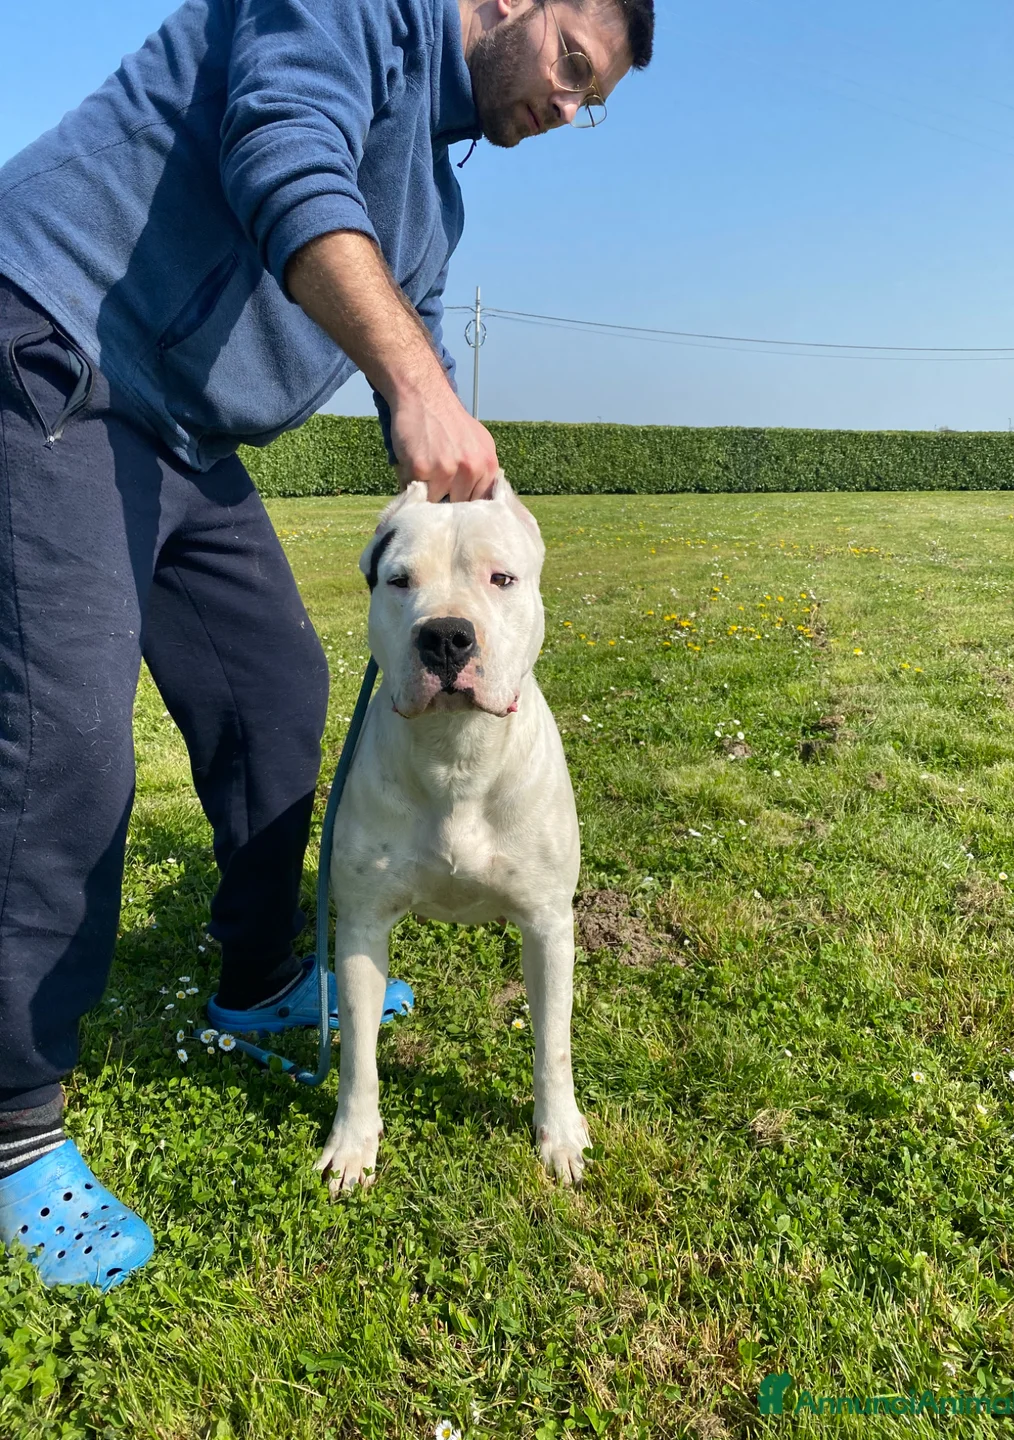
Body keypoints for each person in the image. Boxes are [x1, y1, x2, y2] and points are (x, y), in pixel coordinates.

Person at [0, 0, 655, 1289]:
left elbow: (400, 349)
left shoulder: (436, 204)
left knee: (277, 690)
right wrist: (419, 382)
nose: (569, 109)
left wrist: (447, 477)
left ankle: (256, 983)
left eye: (596, 103)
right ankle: (15, 1129)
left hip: (181, 435)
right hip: (52, 344)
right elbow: (285, 151)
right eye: (573, 64)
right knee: (68, 737)